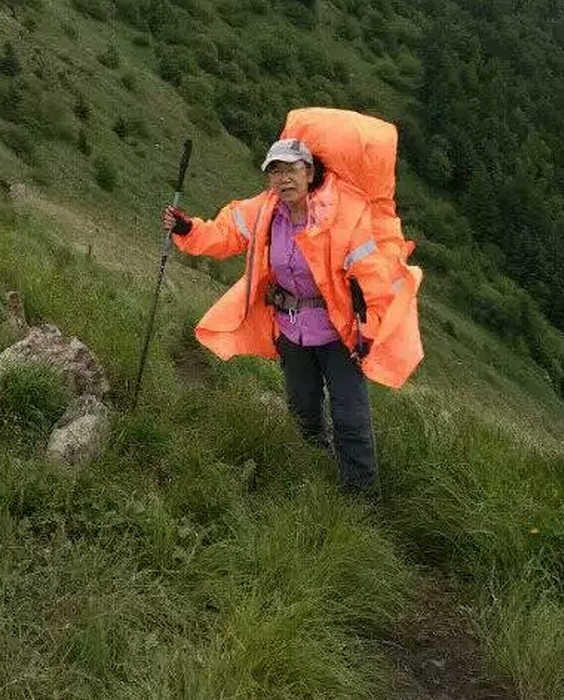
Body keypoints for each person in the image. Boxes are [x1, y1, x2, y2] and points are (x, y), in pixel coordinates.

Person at [163, 137, 401, 494]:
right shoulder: (264, 211)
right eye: (275, 172)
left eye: (291, 169)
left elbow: (371, 278)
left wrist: (367, 332)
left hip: (340, 333)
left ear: (309, 172)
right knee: (303, 410)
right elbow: (225, 233)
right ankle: (314, 472)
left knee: (350, 417)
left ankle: (361, 499)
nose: (283, 179)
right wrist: (188, 229)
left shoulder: (341, 214)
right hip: (292, 331)